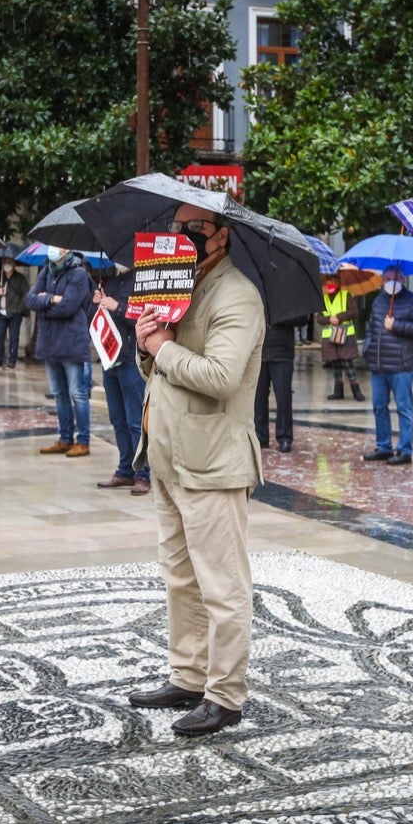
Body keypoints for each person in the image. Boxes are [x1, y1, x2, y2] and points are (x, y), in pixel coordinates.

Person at [129, 203, 265, 738]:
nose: (182, 236)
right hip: (169, 457)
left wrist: (162, 348)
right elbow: (162, 371)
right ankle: (187, 675)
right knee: (180, 577)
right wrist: (148, 341)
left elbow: (220, 377)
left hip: (213, 463)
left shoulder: (237, 295)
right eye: (176, 228)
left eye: (194, 228)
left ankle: (225, 694)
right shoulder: (180, 289)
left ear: (221, 236)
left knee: (222, 585)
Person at [27, 247, 94, 458]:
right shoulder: (46, 270)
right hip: (50, 343)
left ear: (67, 251)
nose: (53, 250)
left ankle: (83, 441)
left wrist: (45, 303)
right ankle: (65, 438)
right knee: (59, 393)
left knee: (78, 393)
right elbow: (29, 300)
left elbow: (68, 307)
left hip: (72, 342)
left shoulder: (79, 273)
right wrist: (50, 299)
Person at [92, 269, 151, 495]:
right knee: (118, 419)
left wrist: (118, 307)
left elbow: (141, 317)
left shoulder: (140, 281)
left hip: (130, 360)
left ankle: (142, 474)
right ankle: (125, 469)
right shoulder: (109, 281)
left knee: (136, 420)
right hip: (110, 359)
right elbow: (94, 319)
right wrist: (97, 302)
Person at [360, 266, 413, 465]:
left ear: (403, 279)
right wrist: (368, 349)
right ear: (382, 280)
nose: (390, 281)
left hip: (401, 365)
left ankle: (405, 450)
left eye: (394, 278)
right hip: (378, 365)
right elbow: (372, 327)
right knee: (379, 407)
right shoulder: (379, 302)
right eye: (387, 278)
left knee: (404, 408)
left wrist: (395, 325)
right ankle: (384, 446)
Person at [255, 317, 297, 453]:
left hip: (282, 352)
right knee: (258, 398)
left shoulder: (289, 297)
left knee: (283, 397)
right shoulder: (258, 295)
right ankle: (260, 435)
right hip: (259, 351)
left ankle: (284, 436)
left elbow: (302, 318)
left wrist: (281, 315)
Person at [316, 275, 362, 400]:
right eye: (328, 282)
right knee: (335, 362)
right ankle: (338, 391)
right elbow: (319, 318)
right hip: (329, 337)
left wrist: (340, 317)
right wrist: (329, 319)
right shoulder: (323, 298)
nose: (330, 284)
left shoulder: (345, 295)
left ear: (338, 282)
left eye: (333, 282)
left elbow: (354, 312)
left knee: (347, 362)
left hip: (345, 334)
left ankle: (356, 390)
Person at [0, 255, 28, 370]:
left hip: (14, 313)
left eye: (9, 261)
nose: (7, 264)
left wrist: (19, 309)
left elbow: (26, 295)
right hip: (1, 313)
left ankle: (12, 360)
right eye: (4, 261)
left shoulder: (20, 278)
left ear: (14, 264)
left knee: (14, 337)